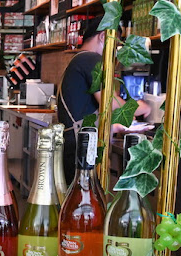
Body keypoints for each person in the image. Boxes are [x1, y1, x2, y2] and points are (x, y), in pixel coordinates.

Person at [57, 16, 151, 182]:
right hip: (82, 147)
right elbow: (110, 103)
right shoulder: (90, 59)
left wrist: (116, 127)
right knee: (85, 197)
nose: (115, 51)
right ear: (102, 36)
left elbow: (85, 111)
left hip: (75, 144)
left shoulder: (79, 59)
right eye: (115, 43)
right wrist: (141, 107)